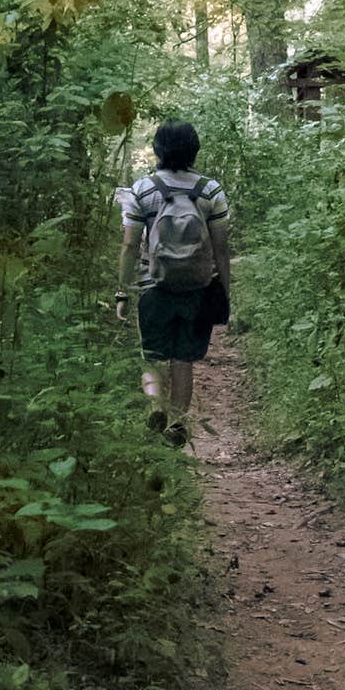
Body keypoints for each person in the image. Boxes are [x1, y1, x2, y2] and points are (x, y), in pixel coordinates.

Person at [115, 121, 231, 448]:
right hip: (196, 287)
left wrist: (123, 291)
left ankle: (155, 406)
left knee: (151, 356)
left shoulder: (143, 190)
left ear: (158, 150)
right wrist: (223, 289)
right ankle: (178, 421)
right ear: (194, 150)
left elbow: (128, 246)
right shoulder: (210, 191)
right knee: (183, 359)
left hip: (153, 287)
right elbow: (221, 248)